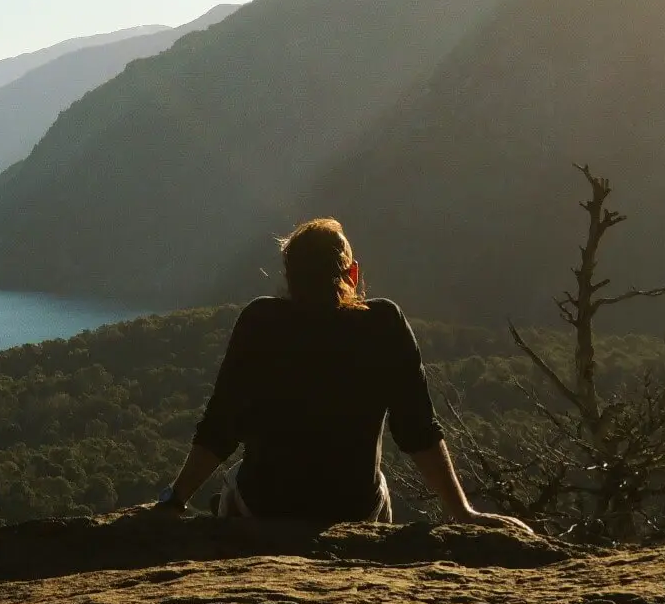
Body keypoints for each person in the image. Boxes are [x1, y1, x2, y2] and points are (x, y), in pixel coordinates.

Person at [152, 217, 532, 533]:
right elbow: (417, 430)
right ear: (352, 272)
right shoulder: (384, 324)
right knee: (379, 484)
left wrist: (177, 498)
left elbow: (221, 425)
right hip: (353, 511)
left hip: (265, 506)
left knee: (236, 480)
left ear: (289, 275)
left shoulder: (260, 322)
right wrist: (462, 512)